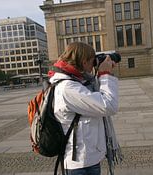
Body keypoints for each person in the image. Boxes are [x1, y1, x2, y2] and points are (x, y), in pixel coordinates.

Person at [49, 42, 119, 175]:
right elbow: (108, 105)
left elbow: (98, 97)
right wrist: (105, 74)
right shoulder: (68, 88)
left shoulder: (78, 82)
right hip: (78, 164)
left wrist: (102, 73)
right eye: (92, 61)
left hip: (88, 157)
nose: (94, 64)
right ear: (83, 61)